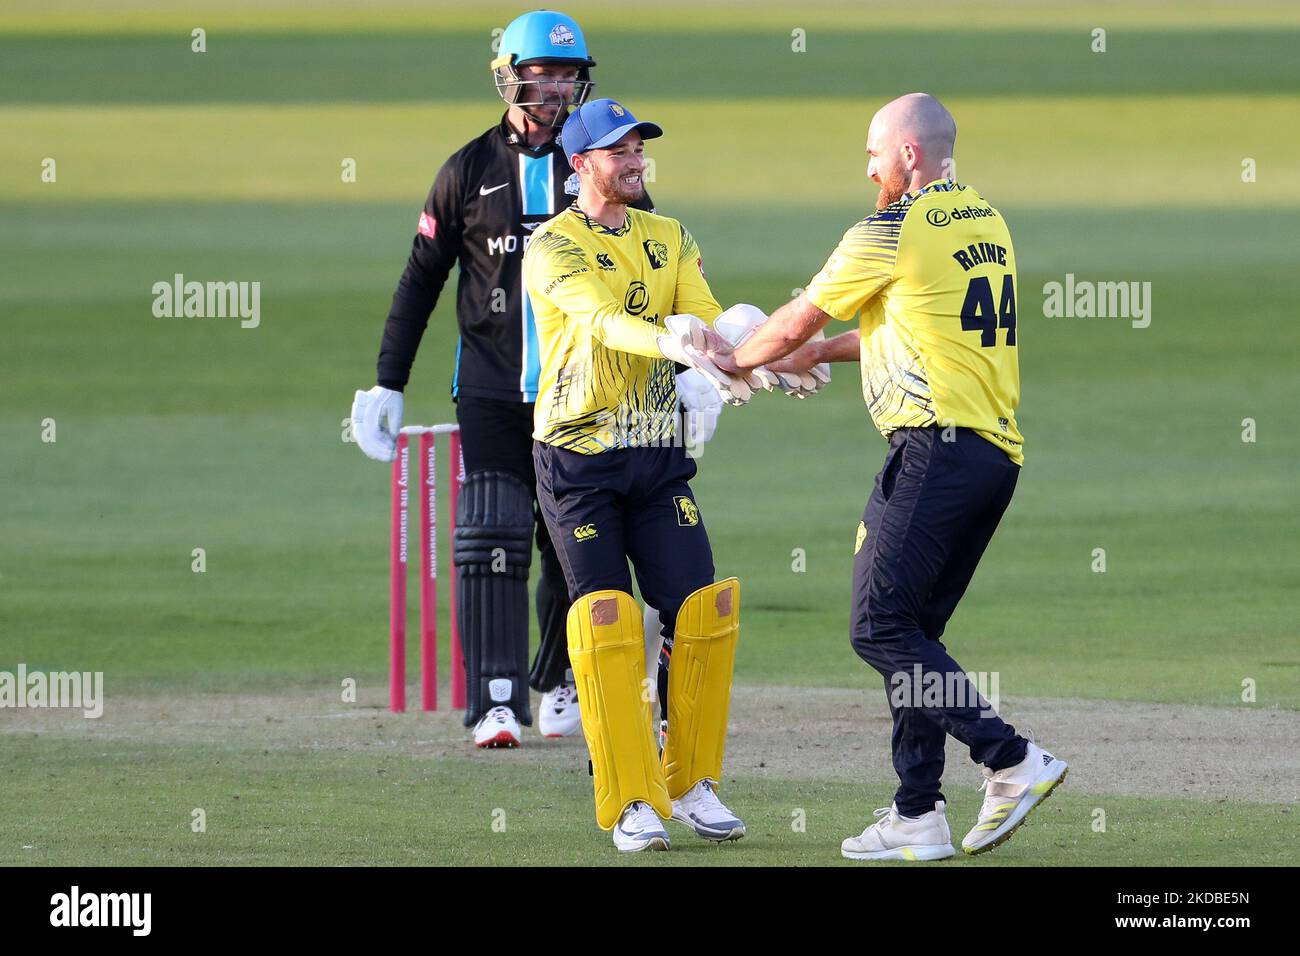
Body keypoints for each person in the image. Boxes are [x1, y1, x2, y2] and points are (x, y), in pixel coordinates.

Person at [709, 93, 1068, 860]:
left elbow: (799, 315)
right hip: (990, 459)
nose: (867, 167)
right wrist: (814, 354)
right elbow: (917, 323)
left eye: (874, 152)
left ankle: (1008, 758)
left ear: (907, 154)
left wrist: (733, 361)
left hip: (932, 455)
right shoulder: (984, 220)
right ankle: (918, 814)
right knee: (913, 631)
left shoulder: (888, 230)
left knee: (878, 627)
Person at [350, 12, 719, 748]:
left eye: (567, 74)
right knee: (490, 532)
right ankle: (494, 699)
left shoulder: (600, 169)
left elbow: (653, 280)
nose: (555, 87)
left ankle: (557, 685)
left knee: (572, 549)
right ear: (509, 76)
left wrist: (687, 372)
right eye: (542, 74)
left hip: (590, 401)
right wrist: (388, 382)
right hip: (490, 388)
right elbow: (420, 281)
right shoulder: (466, 171)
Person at [522, 97, 748, 852]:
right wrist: (673, 344)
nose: (635, 160)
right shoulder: (553, 247)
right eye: (618, 150)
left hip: (655, 450)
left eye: (639, 147)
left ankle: (691, 784)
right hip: (579, 455)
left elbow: (704, 315)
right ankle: (629, 799)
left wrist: (740, 348)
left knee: (702, 612)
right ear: (579, 164)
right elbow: (600, 322)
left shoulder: (670, 234)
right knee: (607, 621)